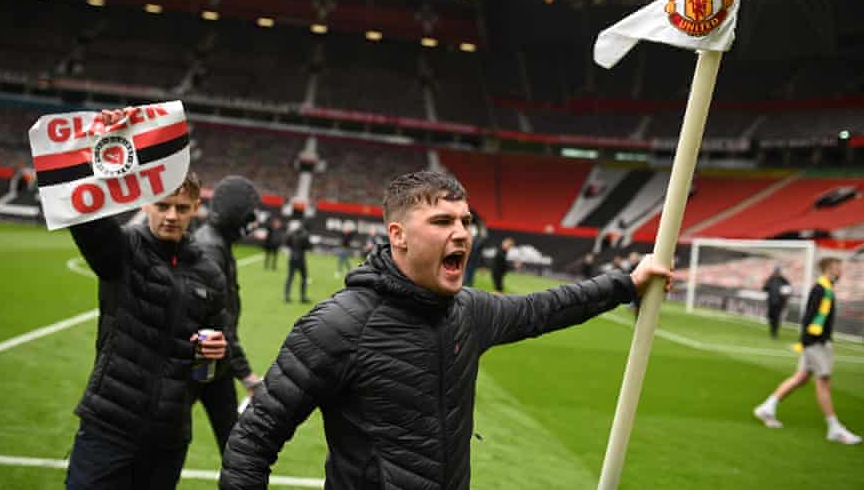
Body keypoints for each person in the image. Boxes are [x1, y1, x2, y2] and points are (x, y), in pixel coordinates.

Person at [219, 170, 671, 490]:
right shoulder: (338, 325)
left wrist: (626, 283)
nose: (462, 233)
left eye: (466, 221)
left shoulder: (467, 311)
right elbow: (253, 440)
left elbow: (543, 310)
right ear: (398, 235)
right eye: (442, 222)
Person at [65, 162, 228, 489]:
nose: (171, 216)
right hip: (108, 430)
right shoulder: (122, 249)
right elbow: (83, 211)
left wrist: (215, 354)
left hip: (168, 440)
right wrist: (104, 146)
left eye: (181, 208)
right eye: (162, 205)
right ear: (145, 203)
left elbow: (208, 374)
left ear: (196, 209)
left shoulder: (210, 275)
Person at [753, 257, 861, 445]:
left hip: (815, 341)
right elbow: (810, 317)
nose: (840, 272)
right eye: (837, 268)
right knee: (824, 382)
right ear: (828, 269)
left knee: (802, 377)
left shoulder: (826, 288)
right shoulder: (820, 289)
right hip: (815, 343)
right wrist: (813, 341)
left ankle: (767, 407)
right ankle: (834, 427)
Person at [193, 175, 264, 455]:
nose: (253, 220)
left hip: (214, 359)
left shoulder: (216, 244)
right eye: (248, 212)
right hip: (201, 360)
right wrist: (246, 373)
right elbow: (217, 321)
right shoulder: (211, 248)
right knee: (166, 444)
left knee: (234, 444)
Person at [283, 219, 312, 303]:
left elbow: (286, 243)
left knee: (290, 277)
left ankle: (287, 296)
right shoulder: (305, 234)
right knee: (304, 277)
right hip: (300, 258)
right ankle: (302, 297)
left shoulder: (291, 234)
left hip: (292, 257)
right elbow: (308, 246)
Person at [762, 266, 791, 339]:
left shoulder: (784, 281)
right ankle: (773, 332)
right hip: (771, 302)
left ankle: (774, 333)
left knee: (776, 318)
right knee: (771, 317)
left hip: (779, 303)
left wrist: (785, 301)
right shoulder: (770, 279)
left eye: (777, 271)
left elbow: (787, 292)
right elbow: (765, 289)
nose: (776, 273)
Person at [463, 208, 487, 287]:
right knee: (467, 269)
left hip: (473, 255)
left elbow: (480, 246)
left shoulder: (476, 229)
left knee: (470, 270)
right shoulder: (468, 227)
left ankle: (468, 284)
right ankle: (466, 283)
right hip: (469, 254)